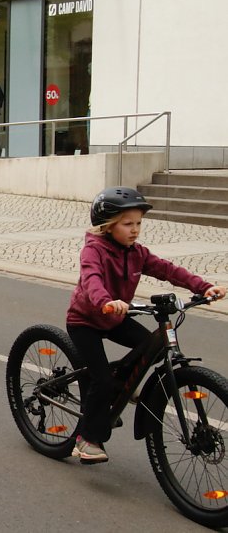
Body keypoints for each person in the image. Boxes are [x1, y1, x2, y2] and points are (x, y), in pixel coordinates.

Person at [66, 187, 225, 464]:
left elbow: (168, 270)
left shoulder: (136, 253)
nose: (135, 229)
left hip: (115, 317)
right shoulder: (94, 250)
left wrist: (204, 287)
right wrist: (106, 300)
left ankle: (120, 384)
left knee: (149, 344)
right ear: (107, 226)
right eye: (128, 224)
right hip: (86, 320)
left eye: (139, 223)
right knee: (102, 381)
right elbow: (92, 279)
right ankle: (86, 439)